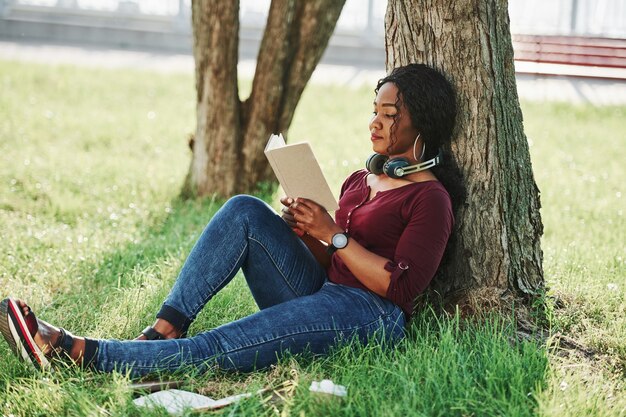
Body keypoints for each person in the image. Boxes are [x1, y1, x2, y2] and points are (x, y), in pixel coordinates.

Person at [1, 63, 463, 377]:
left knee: (226, 344)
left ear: (421, 125)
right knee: (245, 208)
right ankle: (165, 327)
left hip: (368, 316)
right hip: (324, 291)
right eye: (374, 112)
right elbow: (328, 263)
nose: (375, 124)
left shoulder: (430, 199)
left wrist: (335, 234)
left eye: (388, 115)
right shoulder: (360, 182)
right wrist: (308, 230)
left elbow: (402, 288)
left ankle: (73, 351)